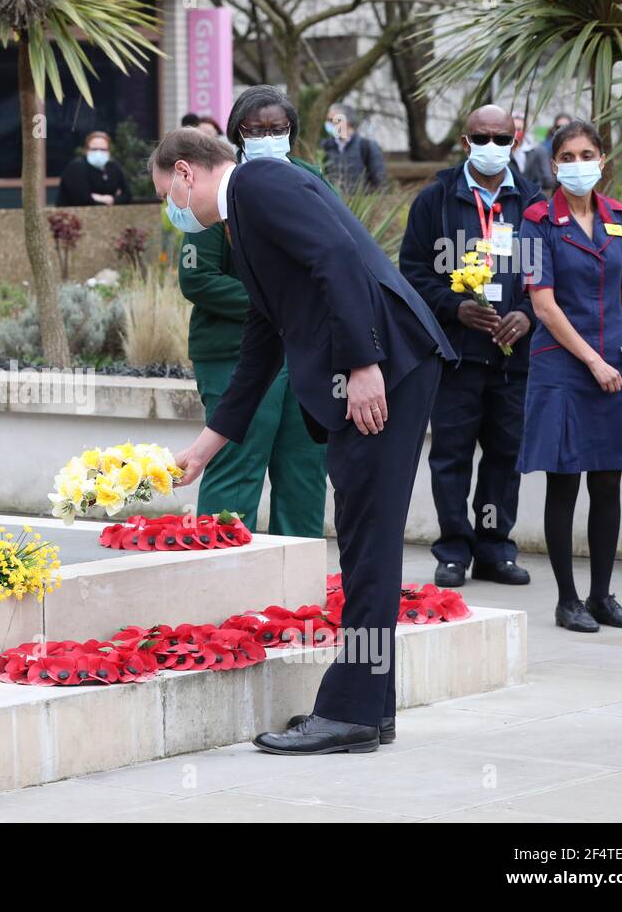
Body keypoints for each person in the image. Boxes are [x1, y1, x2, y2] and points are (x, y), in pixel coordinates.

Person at [154, 129, 454, 755]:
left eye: (167, 195)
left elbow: (337, 259)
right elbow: (264, 339)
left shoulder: (258, 183)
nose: (174, 210)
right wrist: (207, 446)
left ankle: (348, 715)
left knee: (367, 548)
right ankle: (371, 709)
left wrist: (364, 364)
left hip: (385, 368)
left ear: (187, 173)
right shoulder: (246, 218)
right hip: (382, 365)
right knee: (367, 547)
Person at [518, 119, 622, 632]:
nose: (579, 164)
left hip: (614, 364)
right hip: (562, 365)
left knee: (608, 483)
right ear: (554, 164)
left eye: (588, 155)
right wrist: (592, 361)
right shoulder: (534, 221)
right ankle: (567, 601)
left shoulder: (619, 218)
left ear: (602, 161)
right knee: (564, 484)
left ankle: (602, 596)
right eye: (569, 156)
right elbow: (543, 306)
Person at [400, 104, 545, 588]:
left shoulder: (534, 201)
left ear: (515, 141)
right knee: (452, 456)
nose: (491, 147)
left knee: (505, 458)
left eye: (500, 138)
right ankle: (454, 551)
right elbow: (412, 273)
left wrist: (526, 313)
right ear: (465, 142)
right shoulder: (437, 199)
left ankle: (494, 548)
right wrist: (453, 306)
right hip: (456, 356)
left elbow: (548, 274)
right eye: (480, 138)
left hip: (512, 358)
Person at [176, 87, 328, 536]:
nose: (267, 136)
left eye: (277, 128)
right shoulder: (222, 188)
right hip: (235, 352)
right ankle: (223, 581)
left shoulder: (309, 179)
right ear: (236, 134)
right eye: (254, 129)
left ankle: (297, 590)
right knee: (234, 468)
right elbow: (198, 278)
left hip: (305, 353)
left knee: (303, 471)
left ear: (292, 132)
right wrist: (279, 302)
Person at [320, 102, 387, 191]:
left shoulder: (367, 146)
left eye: (332, 120)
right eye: (328, 120)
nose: (328, 124)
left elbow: (380, 183)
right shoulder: (326, 147)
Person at [56, 131, 131, 207]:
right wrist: (111, 199)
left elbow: (127, 196)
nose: (98, 153)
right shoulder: (76, 167)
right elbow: (82, 200)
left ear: (109, 151)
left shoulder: (113, 167)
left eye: (103, 150)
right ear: (86, 150)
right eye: (94, 149)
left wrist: (107, 199)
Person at [523, 112, 572, 194]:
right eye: (559, 127)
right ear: (554, 128)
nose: (563, 130)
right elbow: (546, 180)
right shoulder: (544, 148)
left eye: (567, 127)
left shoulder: (577, 147)